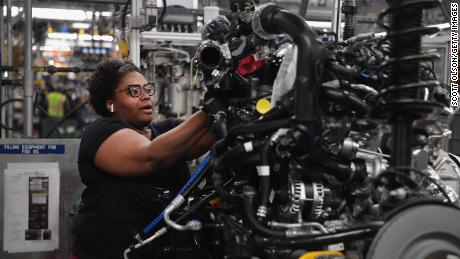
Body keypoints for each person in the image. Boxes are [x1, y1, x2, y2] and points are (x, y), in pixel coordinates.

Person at [71, 60, 216, 259]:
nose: (146, 96)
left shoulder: (165, 131)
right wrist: (210, 110)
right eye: (134, 91)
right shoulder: (99, 133)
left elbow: (211, 136)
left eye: (147, 89)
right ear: (111, 104)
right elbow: (152, 157)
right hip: (110, 252)